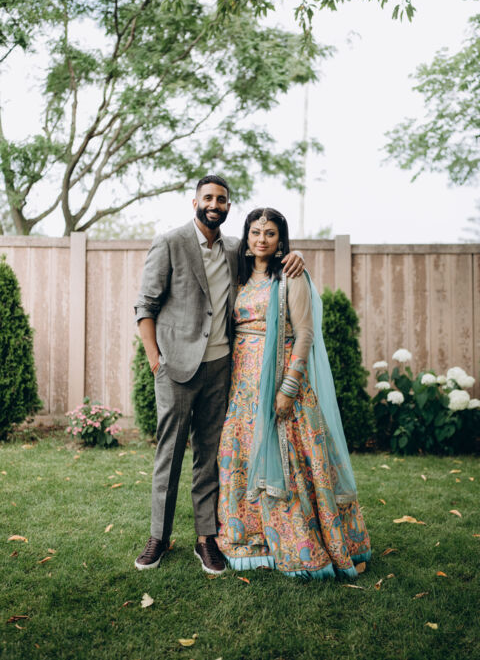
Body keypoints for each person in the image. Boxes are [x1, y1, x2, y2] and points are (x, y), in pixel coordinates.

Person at [133, 177, 304, 574]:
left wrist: (297, 256)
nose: (214, 204)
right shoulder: (170, 242)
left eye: (221, 199)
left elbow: (268, 253)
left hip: (221, 367)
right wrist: (156, 360)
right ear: (194, 201)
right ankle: (158, 537)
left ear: (228, 206)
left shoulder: (233, 248)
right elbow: (145, 306)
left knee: (209, 457)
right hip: (176, 368)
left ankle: (206, 538)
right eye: (208, 198)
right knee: (170, 454)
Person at [217, 207, 371, 579]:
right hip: (243, 388)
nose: (262, 239)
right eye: (255, 232)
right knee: (242, 459)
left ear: (280, 239)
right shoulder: (239, 277)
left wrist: (288, 388)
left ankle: (303, 545)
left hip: (282, 383)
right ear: (247, 237)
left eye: (270, 233)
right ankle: (254, 540)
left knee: (291, 463)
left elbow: (304, 334)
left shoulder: (290, 276)